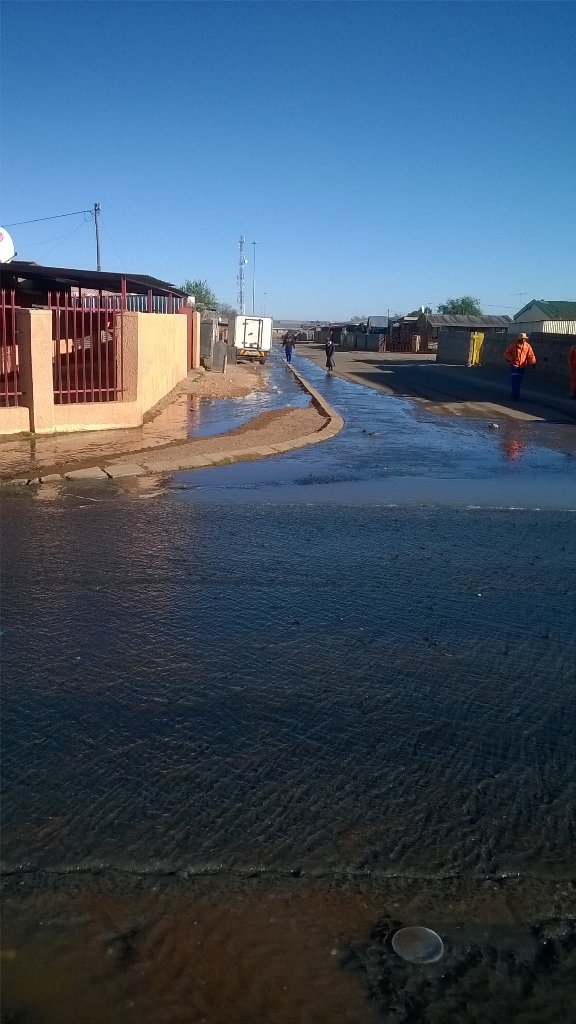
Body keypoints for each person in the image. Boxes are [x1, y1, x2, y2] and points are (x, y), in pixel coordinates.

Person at [504, 332, 536, 400]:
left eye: (525, 339)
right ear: (519, 339)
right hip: (514, 365)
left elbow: (530, 355)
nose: (524, 340)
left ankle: (515, 392)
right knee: (515, 380)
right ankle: (516, 394)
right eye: (523, 339)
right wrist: (510, 359)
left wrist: (533, 363)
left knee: (518, 381)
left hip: (522, 366)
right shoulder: (513, 345)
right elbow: (507, 353)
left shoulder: (527, 346)